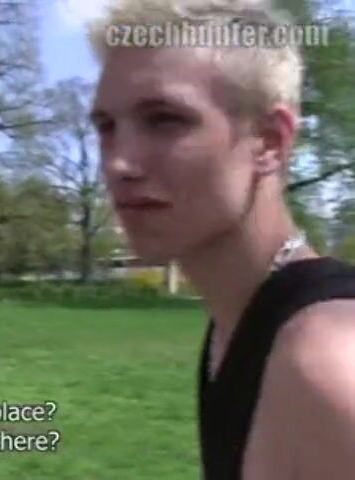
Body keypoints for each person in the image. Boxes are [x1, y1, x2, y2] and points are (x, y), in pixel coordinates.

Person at [86, 1, 355, 479]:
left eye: (164, 119)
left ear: (270, 141)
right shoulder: (235, 324)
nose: (118, 163)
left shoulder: (325, 362)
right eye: (107, 127)